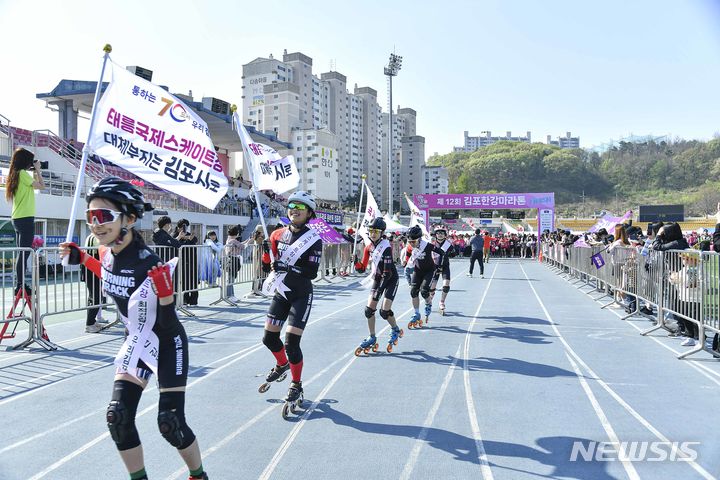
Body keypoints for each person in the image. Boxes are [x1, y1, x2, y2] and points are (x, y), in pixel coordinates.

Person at [60, 177, 208, 480]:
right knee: (118, 417)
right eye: (90, 217)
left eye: (103, 216)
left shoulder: (149, 263)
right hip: (137, 344)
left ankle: (198, 475)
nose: (95, 224)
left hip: (167, 342)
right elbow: (110, 274)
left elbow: (166, 323)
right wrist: (82, 257)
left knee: (170, 423)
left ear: (128, 218)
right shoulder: (106, 252)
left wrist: (167, 297)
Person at [259, 191, 323, 415]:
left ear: (309, 214)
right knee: (268, 338)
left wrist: (290, 268)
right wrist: (265, 251)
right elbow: (269, 264)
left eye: (300, 206)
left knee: (291, 343)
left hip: (301, 293)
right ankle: (282, 364)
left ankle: (296, 383)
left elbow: (312, 273)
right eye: (292, 204)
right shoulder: (276, 234)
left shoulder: (313, 239)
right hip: (281, 292)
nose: (294, 209)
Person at [353, 217, 403, 354]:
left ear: (382, 233)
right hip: (378, 278)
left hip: (390, 279)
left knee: (384, 311)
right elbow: (362, 269)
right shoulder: (368, 247)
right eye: (371, 230)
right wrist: (356, 262)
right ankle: (372, 336)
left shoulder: (386, 247)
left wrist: (379, 291)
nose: (373, 233)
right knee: (369, 310)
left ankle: (395, 329)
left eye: (376, 231)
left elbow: (387, 274)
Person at [5, 148, 45, 296]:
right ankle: (20, 286)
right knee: (25, 253)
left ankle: (20, 285)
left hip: (17, 218)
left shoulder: (15, 174)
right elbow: (42, 186)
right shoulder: (23, 174)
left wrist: (34, 170)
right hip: (26, 218)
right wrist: (38, 170)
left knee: (22, 253)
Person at [403, 225, 445, 328]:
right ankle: (416, 313)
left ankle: (428, 303)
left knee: (424, 291)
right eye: (410, 242)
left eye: (414, 242)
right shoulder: (410, 246)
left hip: (429, 271)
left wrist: (440, 266)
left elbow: (441, 253)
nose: (411, 244)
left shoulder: (427, 245)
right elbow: (408, 253)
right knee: (413, 291)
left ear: (419, 239)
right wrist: (405, 259)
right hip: (418, 271)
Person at [427, 225, 457, 315]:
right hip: (434, 267)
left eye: (442, 233)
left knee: (446, 285)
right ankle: (429, 301)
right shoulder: (432, 244)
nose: (440, 235)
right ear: (435, 234)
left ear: (445, 235)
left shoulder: (448, 244)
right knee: (432, 288)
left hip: (445, 267)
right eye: (438, 233)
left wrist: (452, 253)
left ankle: (442, 302)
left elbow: (453, 254)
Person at [82, 232, 108, 333]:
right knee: (96, 296)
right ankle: (89, 324)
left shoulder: (91, 236)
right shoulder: (97, 237)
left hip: (90, 267)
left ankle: (91, 322)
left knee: (94, 296)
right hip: (93, 267)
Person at [176, 219, 199, 306]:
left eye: (186, 226)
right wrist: (184, 238)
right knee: (184, 280)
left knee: (193, 280)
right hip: (182, 260)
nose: (185, 228)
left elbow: (195, 240)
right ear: (179, 227)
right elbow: (177, 243)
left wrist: (189, 238)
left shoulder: (189, 234)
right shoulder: (175, 235)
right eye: (183, 226)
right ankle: (185, 300)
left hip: (192, 259)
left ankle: (194, 301)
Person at [224, 226, 244, 302]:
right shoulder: (233, 240)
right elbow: (242, 246)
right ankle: (230, 296)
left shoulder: (230, 239)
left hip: (231, 259)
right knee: (231, 279)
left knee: (230, 279)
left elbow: (241, 245)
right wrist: (249, 241)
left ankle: (230, 295)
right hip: (233, 259)